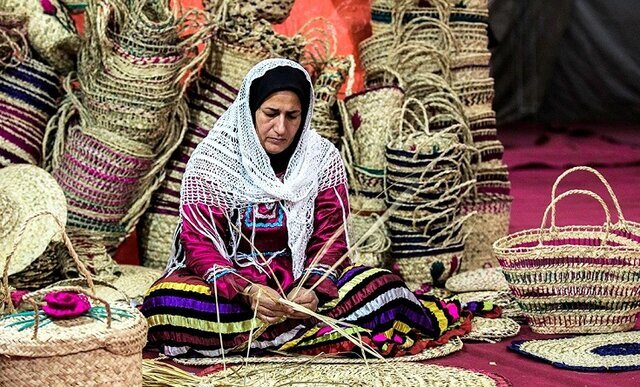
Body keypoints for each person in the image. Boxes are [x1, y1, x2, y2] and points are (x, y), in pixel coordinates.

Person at [141, 58, 465, 358]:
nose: (280, 128)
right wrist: (246, 289)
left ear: (304, 115)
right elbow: (199, 243)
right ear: (250, 109)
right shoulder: (215, 161)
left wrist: (313, 290)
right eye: (270, 114)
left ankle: (273, 335)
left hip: (301, 289)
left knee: (383, 285)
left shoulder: (321, 159)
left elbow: (331, 238)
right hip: (237, 293)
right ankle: (314, 333)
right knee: (164, 301)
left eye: (292, 116)